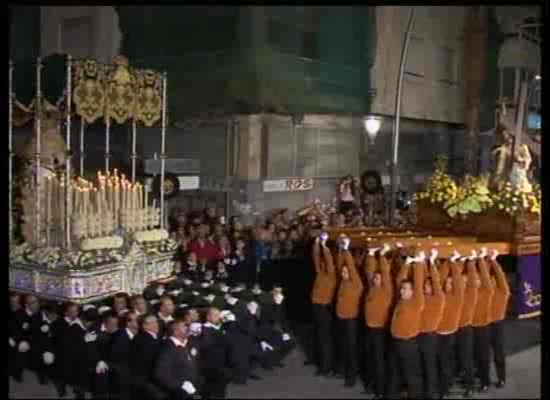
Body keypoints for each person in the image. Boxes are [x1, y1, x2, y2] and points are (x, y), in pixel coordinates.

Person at [387, 253, 426, 400]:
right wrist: (407, 263)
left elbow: (418, 281)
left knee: (412, 375)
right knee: (395, 371)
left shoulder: (416, 303)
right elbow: (399, 281)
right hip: (396, 341)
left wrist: (418, 264)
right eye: (402, 289)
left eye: (405, 289)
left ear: (412, 291)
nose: (402, 290)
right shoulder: (401, 300)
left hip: (408, 343)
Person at [363, 248, 393, 398]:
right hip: (370, 329)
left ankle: (381, 390)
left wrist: (381, 255)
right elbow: (369, 271)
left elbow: (385, 273)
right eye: (375, 278)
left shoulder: (387, 290)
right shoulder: (372, 289)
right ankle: (371, 385)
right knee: (370, 358)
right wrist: (370, 255)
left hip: (380, 330)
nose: (375, 279)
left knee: (380, 360)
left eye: (377, 278)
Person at [335, 236, 364, 387]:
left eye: (346, 272)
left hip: (351, 320)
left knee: (351, 349)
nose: (343, 273)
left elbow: (350, 267)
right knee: (343, 346)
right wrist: (340, 251)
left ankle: (351, 377)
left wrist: (346, 250)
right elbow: (341, 265)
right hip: (341, 318)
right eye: (343, 272)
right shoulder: (343, 282)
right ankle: (343, 370)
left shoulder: (356, 283)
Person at [436, 255, 466, 399]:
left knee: (446, 361)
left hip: (448, 333)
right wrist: (448, 262)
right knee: (439, 361)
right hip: (437, 332)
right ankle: (442, 385)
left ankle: (445, 387)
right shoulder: (440, 295)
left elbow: (458, 282)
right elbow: (439, 279)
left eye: (450, 283)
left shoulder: (457, 297)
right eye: (446, 283)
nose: (448, 285)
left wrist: (453, 264)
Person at [418, 255, 445, 399]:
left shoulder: (438, 299)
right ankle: (425, 390)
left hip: (429, 336)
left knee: (430, 365)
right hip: (418, 334)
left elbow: (435, 281)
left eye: (428, 285)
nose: (425, 287)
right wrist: (421, 264)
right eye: (424, 285)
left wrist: (431, 263)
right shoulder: (420, 298)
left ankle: (431, 392)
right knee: (421, 365)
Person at [311, 233, 338, 377]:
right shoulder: (320, 271)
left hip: (324, 307)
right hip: (317, 306)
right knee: (320, 336)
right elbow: (316, 257)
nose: (321, 262)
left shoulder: (331, 273)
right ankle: (322, 363)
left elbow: (327, 260)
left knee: (325, 339)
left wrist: (324, 246)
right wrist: (316, 244)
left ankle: (326, 367)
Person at [154, 320, 202, 400]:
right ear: (175, 331)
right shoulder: (167, 348)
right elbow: (160, 374)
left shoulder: (189, 343)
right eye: (184, 326)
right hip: (178, 394)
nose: (187, 328)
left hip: (193, 390)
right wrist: (180, 386)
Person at [455, 257, 480, 397]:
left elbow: (472, 280)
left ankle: (470, 385)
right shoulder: (455, 294)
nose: (462, 283)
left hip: (465, 329)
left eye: (464, 282)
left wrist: (469, 263)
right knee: (457, 356)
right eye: (460, 281)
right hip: (454, 328)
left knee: (466, 357)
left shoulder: (471, 295)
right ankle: (461, 378)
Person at [472, 252, 495, 394]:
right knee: (475, 353)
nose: (475, 281)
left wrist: (482, 259)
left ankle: (485, 381)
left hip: (483, 327)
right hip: (471, 326)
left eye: (477, 279)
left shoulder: (486, 291)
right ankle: (479, 374)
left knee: (483, 354)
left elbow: (486, 276)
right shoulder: (470, 292)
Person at [488, 252, 510, 389]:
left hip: (497, 325)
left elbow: (500, 275)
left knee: (498, 352)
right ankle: (482, 374)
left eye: (492, 280)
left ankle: (502, 378)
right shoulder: (483, 292)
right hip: (484, 324)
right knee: (482, 352)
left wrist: (493, 261)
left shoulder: (502, 290)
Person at [201, 307, 233, 399]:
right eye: (215, 315)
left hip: (222, 365)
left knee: (220, 391)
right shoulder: (204, 329)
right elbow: (207, 345)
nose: (218, 317)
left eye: (218, 315)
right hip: (210, 366)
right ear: (208, 317)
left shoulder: (221, 328)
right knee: (208, 391)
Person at [130, 314, 164, 400]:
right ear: (144, 326)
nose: (156, 324)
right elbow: (147, 362)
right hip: (146, 381)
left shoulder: (157, 337)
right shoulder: (142, 339)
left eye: (156, 322)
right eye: (152, 323)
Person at [109, 311, 139, 400]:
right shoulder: (118, 337)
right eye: (137, 320)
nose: (140, 321)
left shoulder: (141, 333)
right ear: (128, 323)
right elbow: (116, 359)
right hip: (123, 373)